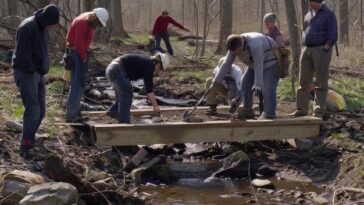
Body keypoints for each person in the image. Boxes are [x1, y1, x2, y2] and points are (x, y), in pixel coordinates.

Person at [12, 4, 60, 158]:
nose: (52, 27)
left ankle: (29, 138)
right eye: (51, 24)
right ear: (47, 20)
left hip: (38, 74)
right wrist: (32, 69)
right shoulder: (28, 26)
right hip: (27, 73)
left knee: (41, 111)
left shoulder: (43, 27)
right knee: (33, 109)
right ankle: (26, 146)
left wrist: (43, 68)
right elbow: (22, 55)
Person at [213, 33, 279, 119]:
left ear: (241, 44)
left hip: (270, 63)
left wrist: (258, 84)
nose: (236, 53)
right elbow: (227, 64)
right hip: (253, 65)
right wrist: (216, 80)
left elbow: (258, 64)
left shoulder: (255, 44)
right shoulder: (234, 45)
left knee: (267, 89)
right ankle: (248, 110)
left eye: (237, 51)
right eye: (234, 51)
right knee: (245, 84)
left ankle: (269, 114)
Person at [290, 0, 338, 118]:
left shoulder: (329, 13)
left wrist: (326, 47)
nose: (309, 4)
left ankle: (318, 110)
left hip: (321, 50)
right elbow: (305, 30)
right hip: (306, 49)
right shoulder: (309, 13)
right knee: (303, 81)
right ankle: (301, 109)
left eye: (311, 2)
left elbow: (333, 33)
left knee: (321, 82)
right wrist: (303, 45)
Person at [65, 8, 109, 122]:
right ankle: (71, 115)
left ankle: (75, 111)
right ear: (95, 17)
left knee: (79, 84)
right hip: (77, 54)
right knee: (77, 84)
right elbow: (78, 42)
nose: (98, 25)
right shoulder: (83, 23)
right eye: (98, 23)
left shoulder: (86, 20)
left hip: (78, 52)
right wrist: (84, 57)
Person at [105, 53, 170, 123]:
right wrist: (155, 106)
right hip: (117, 69)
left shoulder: (146, 62)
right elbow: (149, 90)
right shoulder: (150, 65)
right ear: (159, 64)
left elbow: (147, 86)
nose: (159, 71)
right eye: (161, 69)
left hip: (111, 69)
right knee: (127, 96)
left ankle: (114, 111)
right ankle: (124, 124)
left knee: (123, 96)